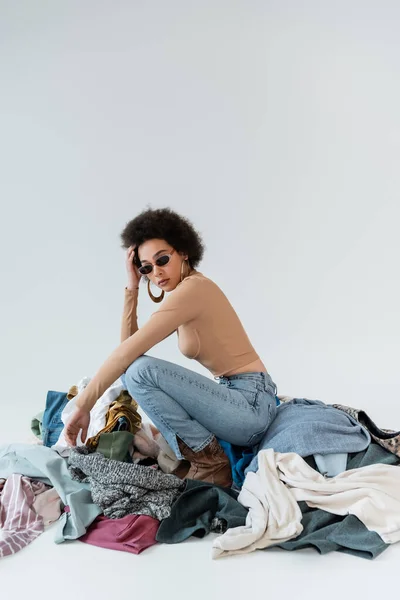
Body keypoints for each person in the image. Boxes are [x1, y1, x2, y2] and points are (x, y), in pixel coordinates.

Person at [65, 207, 278, 487]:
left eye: (162, 259)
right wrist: (132, 288)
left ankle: (210, 462)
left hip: (251, 404)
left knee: (140, 371)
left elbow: (128, 355)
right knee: (134, 372)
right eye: (146, 268)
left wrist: (83, 404)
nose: (156, 273)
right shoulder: (181, 292)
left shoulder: (193, 290)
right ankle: (205, 461)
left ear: (184, 252)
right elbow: (128, 352)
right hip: (237, 400)